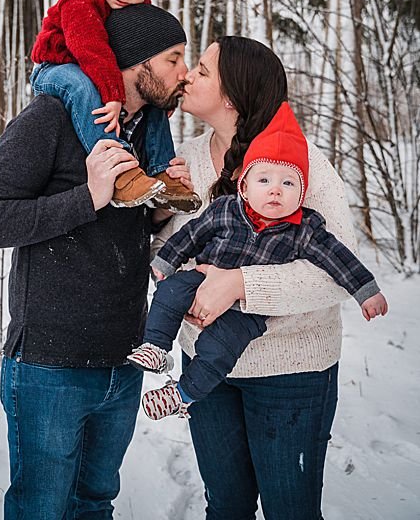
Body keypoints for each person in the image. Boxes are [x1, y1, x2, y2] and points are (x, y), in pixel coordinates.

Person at [0, 2, 190, 519]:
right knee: (42, 509)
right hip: (50, 364)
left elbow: (135, 231)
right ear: (138, 63)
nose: (185, 72)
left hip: (123, 359)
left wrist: (158, 210)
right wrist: (89, 195)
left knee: (94, 504)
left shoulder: (148, 134)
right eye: (175, 58)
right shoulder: (49, 117)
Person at [152, 35, 362, 519]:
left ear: (232, 97)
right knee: (226, 506)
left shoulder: (300, 165)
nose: (187, 76)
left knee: (291, 509)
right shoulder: (190, 157)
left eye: (202, 71)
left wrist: (242, 284)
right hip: (205, 367)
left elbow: (340, 272)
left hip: (289, 372)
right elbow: (170, 251)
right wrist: (163, 212)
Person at [129, 101, 388, 420]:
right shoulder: (225, 209)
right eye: (264, 180)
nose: (276, 190)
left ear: (301, 193)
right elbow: (190, 236)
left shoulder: (306, 228)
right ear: (245, 187)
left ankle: (182, 394)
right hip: (203, 280)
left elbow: (339, 259)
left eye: (288, 183)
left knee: (217, 353)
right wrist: (164, 264)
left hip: (248, 313)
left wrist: (367, 291)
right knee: (169, 293)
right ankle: (155, 346)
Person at [29, 0, 199, 212]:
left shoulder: (134, 7)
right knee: (82, 88)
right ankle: (119, 170)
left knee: (154, 100)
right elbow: (90, 48)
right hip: (56, 67)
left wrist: (168, 97)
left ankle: (162, 170)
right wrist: (114, 94)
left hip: (93, 70)